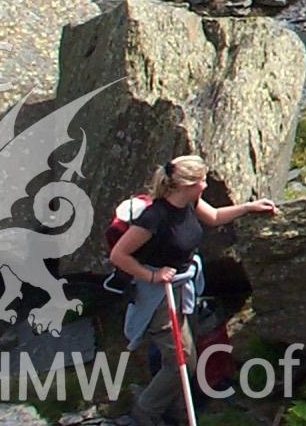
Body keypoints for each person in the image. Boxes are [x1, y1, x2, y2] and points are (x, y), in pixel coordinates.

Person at [107, 154, 277, 426]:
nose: (205, 185)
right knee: (180, 360)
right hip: (160, 295)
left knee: (183, 357)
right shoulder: (154, 217)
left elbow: (214, 217)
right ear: (185, 184)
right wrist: (152, 275)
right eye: (201, 181)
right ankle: (144, 413)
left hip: (184, 286)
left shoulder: (189, 203)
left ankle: (175, 412)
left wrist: (249, 207)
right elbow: (119, 255)